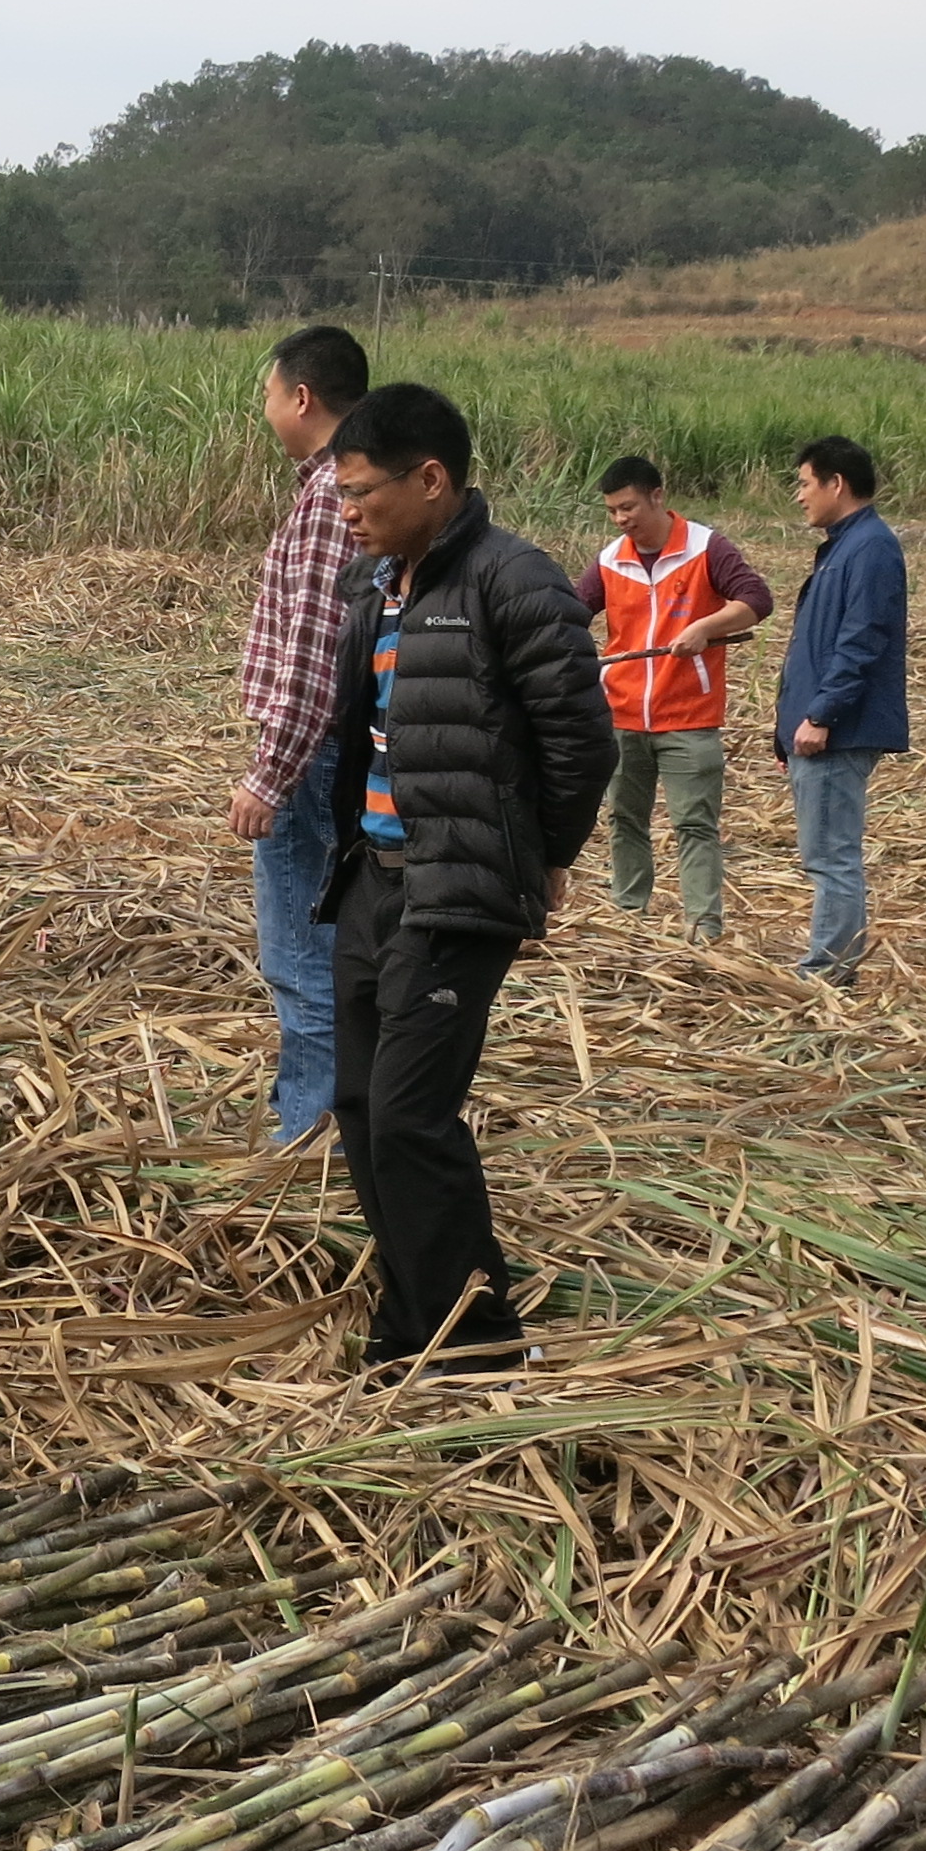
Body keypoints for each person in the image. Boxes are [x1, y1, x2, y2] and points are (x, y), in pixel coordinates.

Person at [314, 383, 617, 1369]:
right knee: (361, 1110)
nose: (346, 511)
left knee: (408, 1113)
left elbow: (581, 741)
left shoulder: (511, 579)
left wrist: (546, 859)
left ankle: (479, 1341)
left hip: (457, 888)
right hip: (372, 875)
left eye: (361, 492)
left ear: (431, 478)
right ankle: (414, 1324)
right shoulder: (376, 587)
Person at [227, 323, 370, 1141]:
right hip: (326, 758)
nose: (267, 409)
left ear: (303, 397)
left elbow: (314, 656)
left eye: (269, 394)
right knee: (324, 950)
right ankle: (314, 1111)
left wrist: (268, 775)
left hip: (309, 761)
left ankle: (308, 1136)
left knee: (301, 956)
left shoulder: (327, 499)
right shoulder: (342, 488)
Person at [585, 455, 774, 946]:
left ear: (658, 497)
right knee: (624, 819)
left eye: (628, 507)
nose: (622, 519)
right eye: (612, 511)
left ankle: (703, 930)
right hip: (623, 714)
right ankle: (628, 921)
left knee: (694, 824)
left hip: (689, 718)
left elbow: (756, 599)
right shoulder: (610, 560)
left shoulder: (705, 548)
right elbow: (568, 611)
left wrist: (705, 628)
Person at [772, 436, 907, 986]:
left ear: (836, 484)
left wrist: (822, 714)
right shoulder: (843, 546)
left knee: (832, 857)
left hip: (837, 731)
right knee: (827, 854)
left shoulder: (870, 548)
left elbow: (862, 640)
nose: (799, 495)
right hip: (817, 727)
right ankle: (829, 964)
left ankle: (827, 972)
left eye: (805, 483)